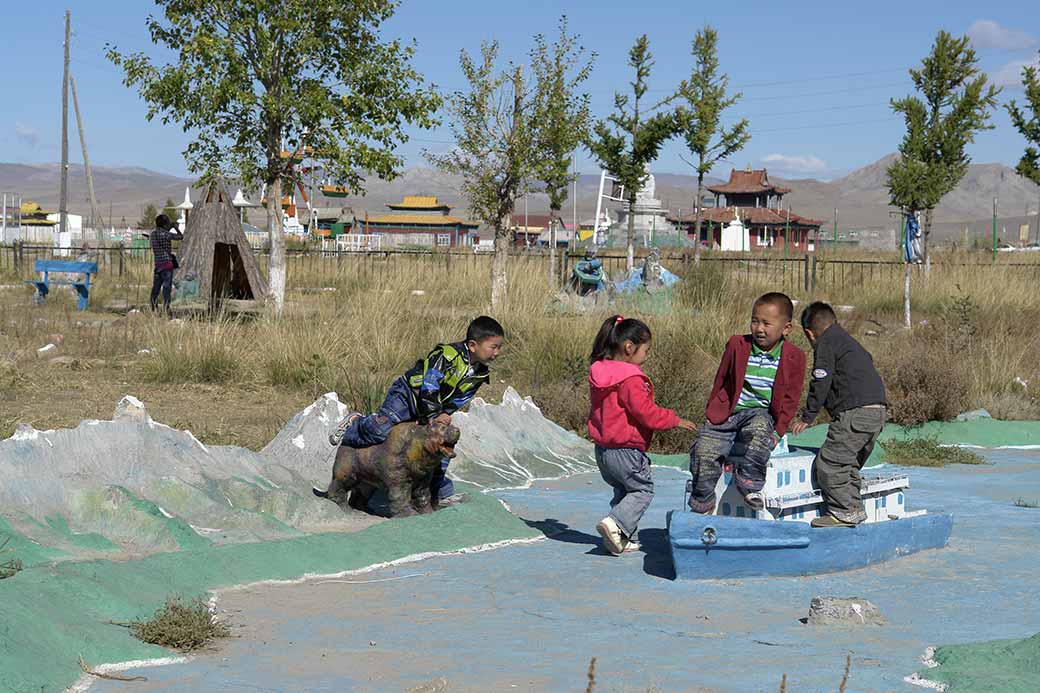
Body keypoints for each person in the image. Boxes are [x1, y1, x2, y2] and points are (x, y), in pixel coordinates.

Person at [329, 316, 505, 504]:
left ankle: (434, 494)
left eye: (499, 347)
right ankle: (356, 423)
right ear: (472, 345)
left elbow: (462, 396)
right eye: (493, 347)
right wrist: (433, 415)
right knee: (381, 430)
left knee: (438, 450)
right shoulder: (447, 355)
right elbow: (430, 385)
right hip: (408, 395)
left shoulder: (480, 373)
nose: (497, 352)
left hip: (433, 409)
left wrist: (446, 412)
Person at [588, 315, 697, 555]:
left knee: (624, 491)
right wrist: (674, 420)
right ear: (629, 347)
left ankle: (620, 538)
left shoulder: (600, 371)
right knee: (642, 490)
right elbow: (645, 412)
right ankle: (615, 523)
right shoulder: (630, 378)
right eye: (646, 350)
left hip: (603, 450)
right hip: (626, 449)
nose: (647, 356)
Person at [688, 292, 806, 514]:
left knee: (761, 430)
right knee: (704, 448)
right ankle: (702, 500)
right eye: (755, 321)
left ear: (786, 328)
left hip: (760, 414)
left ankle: (750, 483)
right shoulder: (737, 345)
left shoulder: (794, 356)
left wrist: (779, 431)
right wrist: (712, 410)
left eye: (766, 323)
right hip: (729, 412)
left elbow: (791, 398)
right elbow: (721, 379)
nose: (759, 328)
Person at [790, 302, 887, 527]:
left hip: (854, 413)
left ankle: (843, 511)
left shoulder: (825, 343)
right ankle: (854, 509)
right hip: (877, 412)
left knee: (831, 463)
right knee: (848, 464)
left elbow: (821, 379)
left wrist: (808, 415)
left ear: (809, 333)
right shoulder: (850, 343)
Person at [147, 214, 183, 315]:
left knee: (156, 288)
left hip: (158, 265)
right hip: (167, 265)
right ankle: (166, 307)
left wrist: (169, 226)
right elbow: (180, 237)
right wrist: (175, 228)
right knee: (167, 288)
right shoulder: (166, 234)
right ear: (165, 224)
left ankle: (153, 307)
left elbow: (161, 230)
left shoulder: (153, 234)